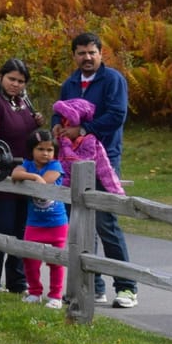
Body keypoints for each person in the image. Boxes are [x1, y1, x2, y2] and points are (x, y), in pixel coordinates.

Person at [58, 32, 136, 307]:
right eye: (81, 53)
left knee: (105, 223)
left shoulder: (113, 80)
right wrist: (57, 125)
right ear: (74, 56)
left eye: (92, 52)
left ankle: (126, 288)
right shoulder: (69, 84)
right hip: (73, 163)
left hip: (104, 160)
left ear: (101, 53)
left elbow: (117, 115)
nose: (87, 57)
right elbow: (60, 112)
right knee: (80, 225)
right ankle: (92, 287)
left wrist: (84, 130)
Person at [0, 58, 39, 294]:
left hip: (25, 172)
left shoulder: (21, 101)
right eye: (12, 79)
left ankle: (17, 281)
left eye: (21, 81)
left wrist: (35, 123)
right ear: (1, 77)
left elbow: (25, 133)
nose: (16, 84)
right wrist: (0, 166)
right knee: (4, 227)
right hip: (2, 173)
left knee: (22, 228)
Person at [9, 129, 68, 308]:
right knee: (30, 259)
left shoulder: (55, 167)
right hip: (34, 222)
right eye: (40, 149)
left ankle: (55, 296)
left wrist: (33, 177)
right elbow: (15, 174)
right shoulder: (27, 164)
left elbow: (44, 183)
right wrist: (33, 175)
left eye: (49, 150)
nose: (45, 153)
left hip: (56, 223)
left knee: (55, 260)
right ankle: (35, 292)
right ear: (31, 150)